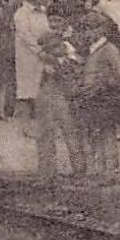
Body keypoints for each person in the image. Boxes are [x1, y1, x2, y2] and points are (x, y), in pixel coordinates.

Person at [72, 14, 120, 179]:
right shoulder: (90, 49)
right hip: (90, 96)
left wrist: (103, 83)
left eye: (91, 28)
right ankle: (100, 168)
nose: (87, 33)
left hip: (105, 96)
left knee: (107, 132)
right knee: (95, 132)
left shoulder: (108, 49)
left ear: (102, 30)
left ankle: (110, 170)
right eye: (85, 29)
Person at [34, 28, 85, 181]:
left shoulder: (72, 57)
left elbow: (73, 76)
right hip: (50, 98)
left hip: (65, 99)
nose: (54, 51)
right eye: (50, 49)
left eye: (55, 47)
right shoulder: (52, 58)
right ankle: (47, 171)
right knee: (47, 135)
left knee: (70, 134)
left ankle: (78, 170)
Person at [12, 0, 52, 135]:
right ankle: (26, 127)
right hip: (27, 57)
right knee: (26, 92)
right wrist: (38, 50)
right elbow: (25, 36)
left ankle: (43, 126)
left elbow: (46, 31)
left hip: (43, 54)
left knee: (41, 89)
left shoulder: (41, 12)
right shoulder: (21, 14)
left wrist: (50, 47)